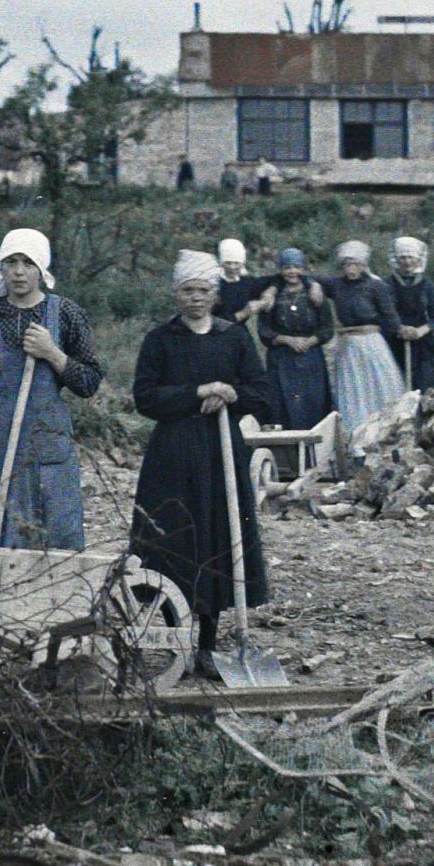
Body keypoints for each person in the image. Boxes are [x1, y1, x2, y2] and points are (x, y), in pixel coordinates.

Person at [129, 249, 271, 682]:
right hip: (173, 452)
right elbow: (146, 397)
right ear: (176, 293)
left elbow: (261, 392)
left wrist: (230, 393)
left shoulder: (233, 338)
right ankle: (174, 639)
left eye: (204, 291)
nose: (196, 299)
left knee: (217, 538)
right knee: (172, 537)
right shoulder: (161, 339)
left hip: (220, 449)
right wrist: (196, 392)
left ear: (215, 293)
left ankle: (208, 645)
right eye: (188, 291)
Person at [0, 228, 103, 550]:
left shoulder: (65, 314)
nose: (19, 272)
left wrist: (53, 354)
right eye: (11, 262)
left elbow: (89, 383)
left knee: (52, 536)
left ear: (41, 269)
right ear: (0, 268)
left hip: (45, 443)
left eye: (28, 263)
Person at [322, 239, 406, 451]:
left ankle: (385, 438)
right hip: (348, 345)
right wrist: (313, 288)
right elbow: (310, 281)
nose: (351, 268)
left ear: (363, 265)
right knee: (353, 391)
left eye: (355, 264)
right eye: (347, 264)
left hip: (371, 344)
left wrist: (401, 330)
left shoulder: (375, 286)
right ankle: (357, 443)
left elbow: (389, 315)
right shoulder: (337, 285)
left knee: (379, 388)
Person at [256, 248, 335, 429]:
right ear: (281, 270)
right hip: (282, 359)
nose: (292, 272)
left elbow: (327, 328)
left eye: (297, 267)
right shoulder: (271, 296)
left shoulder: (315, 294)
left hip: (311, 358)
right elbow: (264, 332)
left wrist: (310, 341)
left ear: (304, 269)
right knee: (283, 405)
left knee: (313, 403)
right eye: (287, 267)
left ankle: (315, 451)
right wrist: (287, 340)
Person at [387, 235, 434, 392]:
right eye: (403, 258)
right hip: (394, 341)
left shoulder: (427, 287)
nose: (407, 262)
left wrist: (419, 331)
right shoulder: (386, 285)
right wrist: (400, 329)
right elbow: (381, 314)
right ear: (396, 260)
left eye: (410, 258)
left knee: (426, 386)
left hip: (422, 342)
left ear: (418, 259)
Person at [212, 238, 272, 330]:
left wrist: (269, 292)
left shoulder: (245, 281)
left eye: (236, 263)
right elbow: (213, 323)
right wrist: (243, 313)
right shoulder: (214, 285)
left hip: (240, 334)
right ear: (221, 262)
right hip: (218, 337)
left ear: (242, 263)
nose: (232, 267)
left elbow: (275, 280)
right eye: (228, 263)